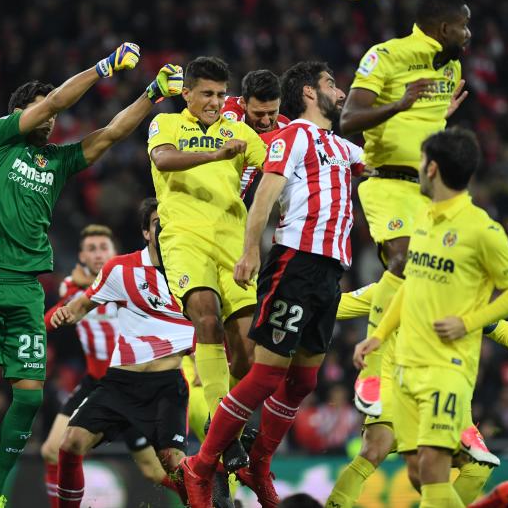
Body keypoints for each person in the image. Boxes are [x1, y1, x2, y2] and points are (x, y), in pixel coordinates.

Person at [0, 42, 183, 508]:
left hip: (24, 289)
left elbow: (112, 133)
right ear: (19, 115)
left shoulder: (57, 162)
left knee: (31, 399)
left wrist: (151, 94)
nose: (51, 119)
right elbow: (56, 101)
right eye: (39, 111)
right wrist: (104, 68)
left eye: (51, 115)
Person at [180, 61, 363, 508]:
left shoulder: (341, 147)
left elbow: (386, 166)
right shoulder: (292, 136)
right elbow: (263, 195)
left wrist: (428, 117)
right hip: (295, 262)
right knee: (265, 374)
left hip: (330, 271)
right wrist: (250, 251)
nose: (338, 90)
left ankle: (257, 464)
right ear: (307, 93)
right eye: (330, 83)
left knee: (303, 380)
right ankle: (200, 465)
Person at [353, 128, 508, 508]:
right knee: (420, 473)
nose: (417, 169)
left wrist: (469, 323)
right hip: (405, 369)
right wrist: (379, 334)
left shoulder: (481, 229)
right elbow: (410, 287)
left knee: (434, 468)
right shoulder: (422, 220)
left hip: (445, 368)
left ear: (431, 168)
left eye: (420, 162)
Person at [341, 0, 470, 418]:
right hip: (387, 184)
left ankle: (332, 309)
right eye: (464, 27)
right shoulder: (386, 55)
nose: (468, 36)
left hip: (428, 190)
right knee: (403, 261)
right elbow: (349, 120)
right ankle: (371, 371)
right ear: (445, 28)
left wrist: (439, 116)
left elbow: (423, 122)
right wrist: (399, 103)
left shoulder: (451, 68)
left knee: (430, 279)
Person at [147, 56, 267, 467]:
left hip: (233, 242)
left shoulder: (240, 131)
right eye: (207, 94)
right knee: (207, 319)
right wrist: (217, 155)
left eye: (221, 94)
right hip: (184, 238)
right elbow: (163, 160)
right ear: (187, 93)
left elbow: (276, 166)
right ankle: (219, 425)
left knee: (248, 352)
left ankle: (229, 420)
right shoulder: (166, 124)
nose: (216, 102)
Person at [326, 284, 508, 507]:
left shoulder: (459, 298)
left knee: (478, 467)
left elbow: (497, 325)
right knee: (374, 451)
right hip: (395, 388)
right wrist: (300, 299)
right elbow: (337, 304)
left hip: (443, 398)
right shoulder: (389, 288)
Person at [50, 198, 196, 508]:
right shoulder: (120, 269)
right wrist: (66, 314)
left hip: (167, 386)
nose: (166, 227)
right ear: (146, 231)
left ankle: (211, 501)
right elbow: (82, 305)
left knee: (174, 467)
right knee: (69, 444)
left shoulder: (195, 274)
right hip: (119, 384)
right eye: (158, 222)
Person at [41, 225, 120, 507]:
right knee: (51, 451)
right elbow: (54, 317)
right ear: (81, 257)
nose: (98, 254)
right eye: (92, 249)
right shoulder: (70, 288)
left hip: (133, 383)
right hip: (94, 382)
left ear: (115, 252)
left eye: (103, 248)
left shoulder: (130, 280)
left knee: (157, 468)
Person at [221, 69, 291, 201]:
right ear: (243, 103)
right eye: (258, 114)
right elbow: (229, 146)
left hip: (232, 209)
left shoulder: (284, 127)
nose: (265, 121)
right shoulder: (226, 110)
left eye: (272, 113)